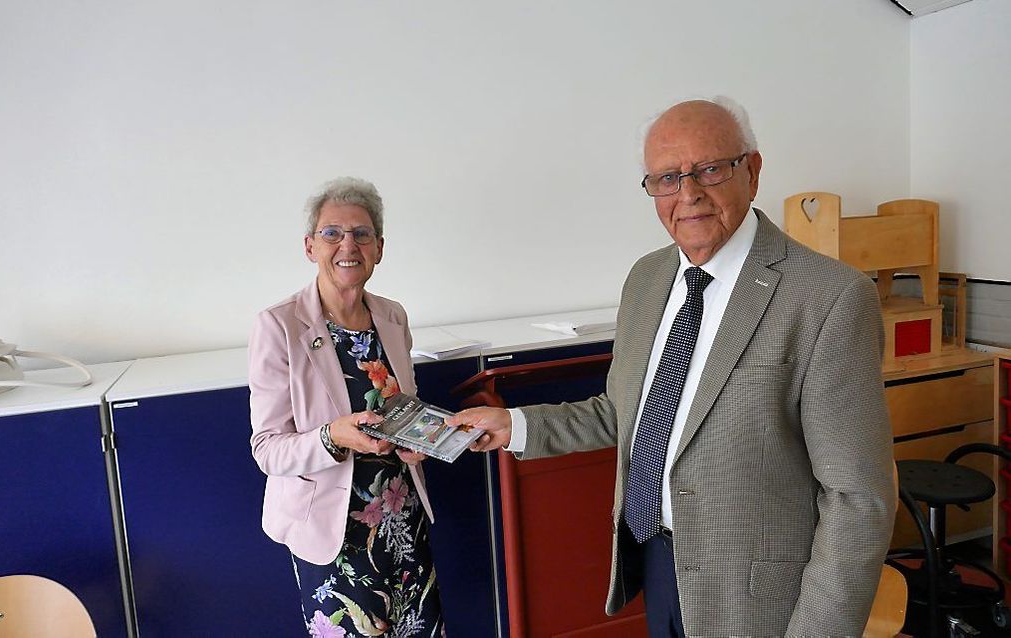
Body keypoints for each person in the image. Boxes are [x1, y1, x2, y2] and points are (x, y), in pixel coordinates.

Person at [447, 98, 896, 636]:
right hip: (658, 567)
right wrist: (513, 425)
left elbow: (857, 501)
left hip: (761, 600)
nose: (688, 194)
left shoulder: (829, 297)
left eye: (710, 169)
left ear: (751, 172)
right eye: (666, 177)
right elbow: (628, 412)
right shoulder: (647, 278)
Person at [249, 177, 444, 637]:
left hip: (402, 520)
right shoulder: (278, 326)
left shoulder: (392, 316)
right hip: (332, 535)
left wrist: (417, 441)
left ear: (379, 247)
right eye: (332, 233)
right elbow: (268, 449)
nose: (347, 245)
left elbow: (403, 409)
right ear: (309, 246)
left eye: (361, 234)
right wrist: (332, 437)